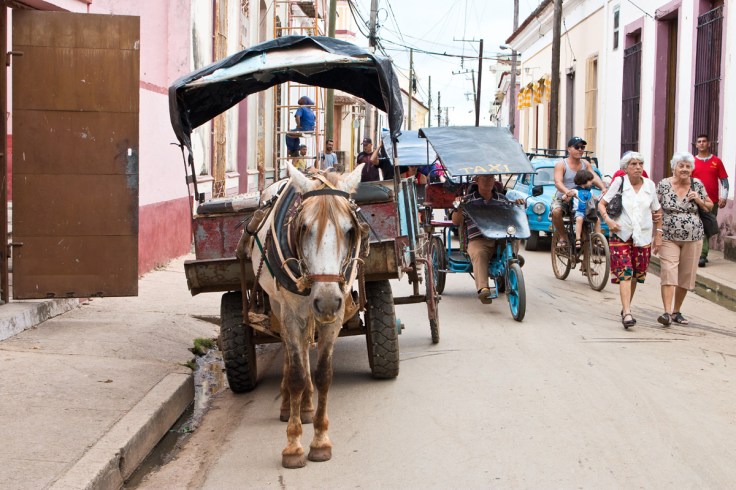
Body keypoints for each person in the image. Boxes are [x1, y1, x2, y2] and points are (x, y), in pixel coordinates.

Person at [598, 152, 662, 329]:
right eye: (633, 164)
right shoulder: (620, 183)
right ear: (626, 168)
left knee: (636, 274)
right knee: (625, 272)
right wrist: (608, 221)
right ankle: (627, 312)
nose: (638, 167)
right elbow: (602, 203)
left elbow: (657, 211)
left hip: (642, 236)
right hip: (621, 234)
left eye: (640, 163)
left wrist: (659, 235)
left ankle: (626, 306)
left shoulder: (649, 185)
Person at [655, 152, 713, 327]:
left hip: (693, 237)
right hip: (668, 236)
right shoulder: (664, 185)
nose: (685, 169)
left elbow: (709, 206)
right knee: (668, 272)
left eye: (688, 166)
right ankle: (666, 312)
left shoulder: (697, 185)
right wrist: (657, 234)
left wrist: (699, 200)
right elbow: (656, 209)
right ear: (674, 167)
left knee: (686, 276)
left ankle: (676, 311)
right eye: (681, 165)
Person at [451, 174, 525, 304]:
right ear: (477, 180)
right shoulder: (466, 201)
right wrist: (458, 206)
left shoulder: (502, 199)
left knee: (514, 237)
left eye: (491, 178)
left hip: (500, 238)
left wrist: (518, 206)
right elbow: (456, 222)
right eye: (484, 178)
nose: (488, 181)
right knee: (479, 253)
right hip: (478, 239)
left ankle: (512, 258)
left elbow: (514, 220)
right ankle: (483, 289)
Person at [552, 136, 607, 247]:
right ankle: (563, 236)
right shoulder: (561, 164)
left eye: (582, 147)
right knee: (556, 212)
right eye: (577, 147)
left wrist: (603, 188)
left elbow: (594, 177)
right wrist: (568, 192)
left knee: (594, 214)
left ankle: (595, 240)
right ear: (569, 149)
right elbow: (558, 182)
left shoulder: (585, 164)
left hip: (583, 196)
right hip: (565, 197)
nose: (580, 150)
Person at [691, 134, 729, 267]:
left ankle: (702, 251)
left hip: (712, 201)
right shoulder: (691, 162)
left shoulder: (716, 161)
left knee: (708, 226)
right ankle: (702, 255)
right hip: (696, 200)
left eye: (704, 141)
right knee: (700, 226)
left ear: (709, 144)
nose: (701, 143)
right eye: (699, 141)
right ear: (696, 145)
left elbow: (724, 180)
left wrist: (724, 197)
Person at [571, 169, 597, 251]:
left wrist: (600, 197)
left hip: (589, 211)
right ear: (584, 180)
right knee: (579, 219)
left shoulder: (591, 191)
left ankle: (598, 237)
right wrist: (566, 196)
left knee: (598, 220)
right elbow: (566, 196)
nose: (591, 182)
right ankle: (578, 238)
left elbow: (595, 199)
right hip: (579, 211)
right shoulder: (575, 190)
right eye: (590, 180)